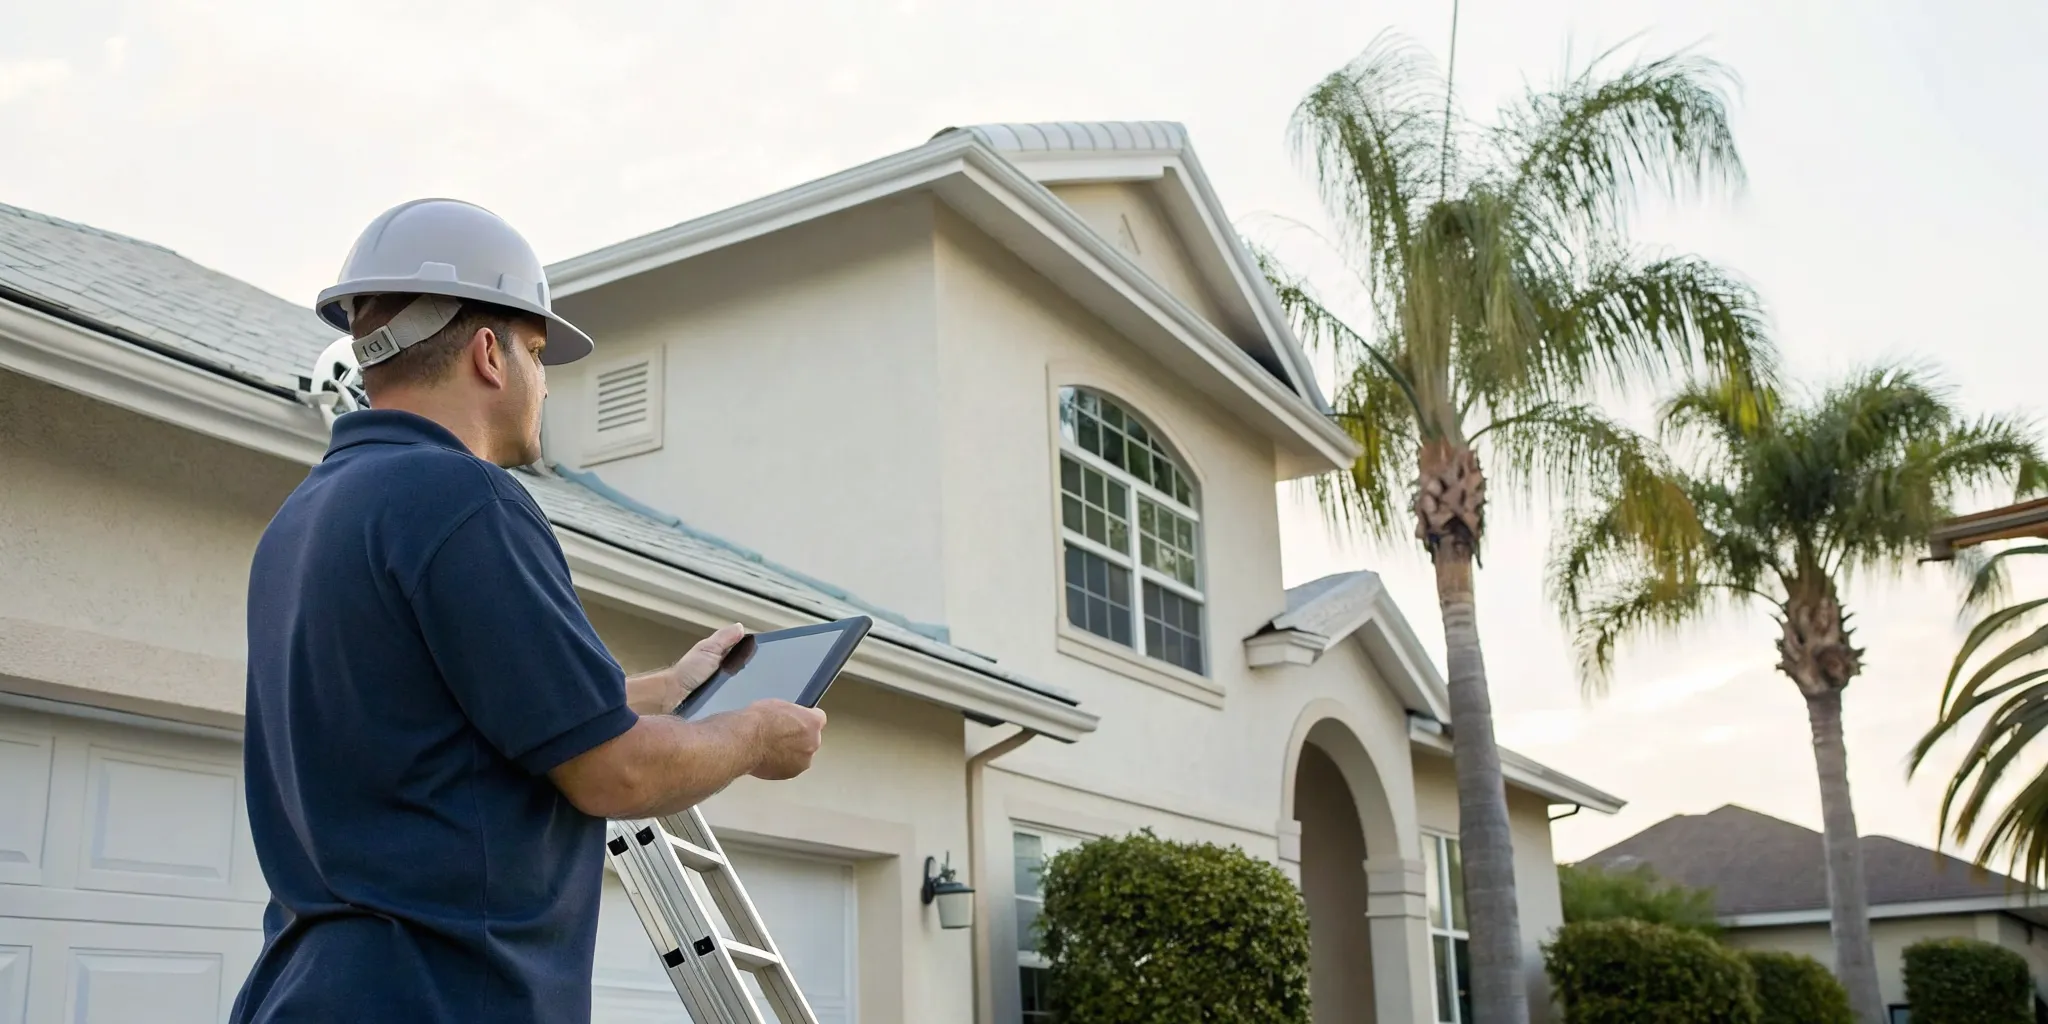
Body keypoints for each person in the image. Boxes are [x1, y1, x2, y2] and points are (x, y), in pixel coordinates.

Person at [229, 198, 827, 1023]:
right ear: (489, 353)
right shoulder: (462, 498)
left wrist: (667, 688)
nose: (545, 382)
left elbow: (478, 713)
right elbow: (612, 771)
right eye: (540, 355)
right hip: (443, 999)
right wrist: (757, 734)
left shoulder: (305, 519)